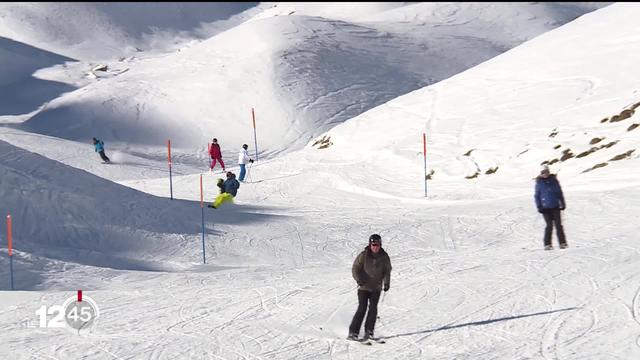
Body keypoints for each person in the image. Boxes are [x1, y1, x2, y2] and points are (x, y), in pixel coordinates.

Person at [348, 234, 392, 342]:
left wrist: (386, 283)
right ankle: (353, 332)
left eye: (377, 245)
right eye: (373, 244)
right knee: (362, 308)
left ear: (380, 245)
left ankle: (369, 331)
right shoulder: (364, 255)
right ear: (370, 244)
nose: (375, 247)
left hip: (376, 288)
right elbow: (355, 268)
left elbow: (387, 271)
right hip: (364, 287)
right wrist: (359, 279)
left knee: (373, 308)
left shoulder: (384, 257)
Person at [534, 165, 567, 250]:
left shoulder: (554, 181)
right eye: (543, 173)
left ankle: (562, 243)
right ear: (541, 174)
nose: (545, 174)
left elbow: (559, 192)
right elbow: (537, 195)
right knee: (549, 225)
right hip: (545, 208)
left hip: (555, 206)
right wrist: (539, 206)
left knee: (558, 225)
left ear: (549, 172)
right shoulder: (539, 183)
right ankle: (547, 244)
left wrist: (562, 202)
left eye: (546, 172)